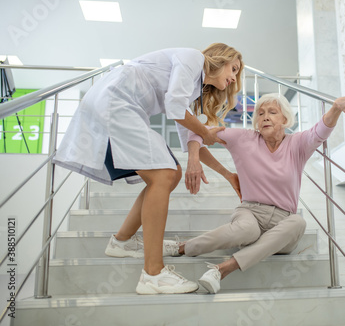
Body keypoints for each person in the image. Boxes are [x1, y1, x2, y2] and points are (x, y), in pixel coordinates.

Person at [53, 43, 244, 294]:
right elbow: (179, 112)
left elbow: (189, 136)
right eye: (234, 68)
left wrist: (228, 174)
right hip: (116, 99)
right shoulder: (193, 59)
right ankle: (153, 274)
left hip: (122, 103)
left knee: (170, 174)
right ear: (221, 59)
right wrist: (204, 132)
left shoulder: (192, 87)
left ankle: (122, 241)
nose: (234, 78)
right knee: (164, 174)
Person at [175, 93, 345, 293]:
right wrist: (194, 159)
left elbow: (322, 130)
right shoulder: (243, 138)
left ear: (285, 120)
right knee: (247, 230)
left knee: (298, 222)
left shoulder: (298, 144)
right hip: (250, 212)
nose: (265, 117)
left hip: (283, 221)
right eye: (260, 114)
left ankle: (222, 269)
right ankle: (181, 248)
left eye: (272, 112)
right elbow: (195, 131)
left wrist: (337, 107)